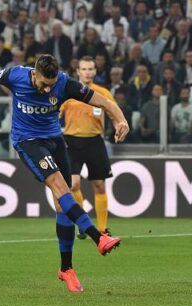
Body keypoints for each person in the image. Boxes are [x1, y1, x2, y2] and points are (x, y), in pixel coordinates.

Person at [0, 54, 129, 293]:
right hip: (28, 141)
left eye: (50, 85)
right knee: (60, 187)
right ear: (34, 73)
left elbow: (104, 101)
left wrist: (121, 120)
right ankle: (98, 236)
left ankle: (66, 270)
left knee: (61, 205)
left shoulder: (63, 83)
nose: (47, 89)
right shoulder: (16, 76)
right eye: (43, 83)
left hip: (54, 140)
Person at [59, 56, 115, 240]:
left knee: (99, 185)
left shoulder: (102, 93)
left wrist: (118, 123)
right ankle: (83, 223)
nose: (88, 72)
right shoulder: (68, 92)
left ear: (95, 71)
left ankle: (103, 229)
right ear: (78, 71)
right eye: (84, 69)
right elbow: (55, 113)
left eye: (91, 69)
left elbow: (112, 110)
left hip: (94, 141)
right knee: (73, 184)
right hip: (71, 142)